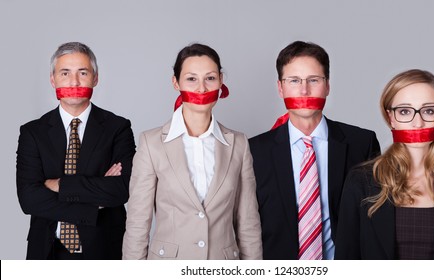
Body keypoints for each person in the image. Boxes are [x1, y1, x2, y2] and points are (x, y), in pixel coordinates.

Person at [335, 69, 434, 259]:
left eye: (428, 111)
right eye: (404, 111)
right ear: (390, 118)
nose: (417, 123)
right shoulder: (360, 182)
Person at [122, 43, 262, 260]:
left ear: (221, 81)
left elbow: (248, 223)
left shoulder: (239, 144)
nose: (201, 88)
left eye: (210, 78)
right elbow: (138, 223)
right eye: (191, 79)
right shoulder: (151, 143)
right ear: (175, 83)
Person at [249, 41, 380, 260]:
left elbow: (375, 220)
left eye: (313, 80)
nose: (304, 90)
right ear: (280, 88)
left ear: (327, 85)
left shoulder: (362, 143)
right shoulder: (254, 151)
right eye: (294, 81)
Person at [16, 42, 136, 259]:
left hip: (104, 251)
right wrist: (94, 204)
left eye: (83, 72)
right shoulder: (32, 132)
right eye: (65, 73)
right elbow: (29, 198)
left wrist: (59, 185)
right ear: (53, 80)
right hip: (46, 251)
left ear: (95, 78)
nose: (74, 81)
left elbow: (122, 189)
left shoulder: (118, 128)